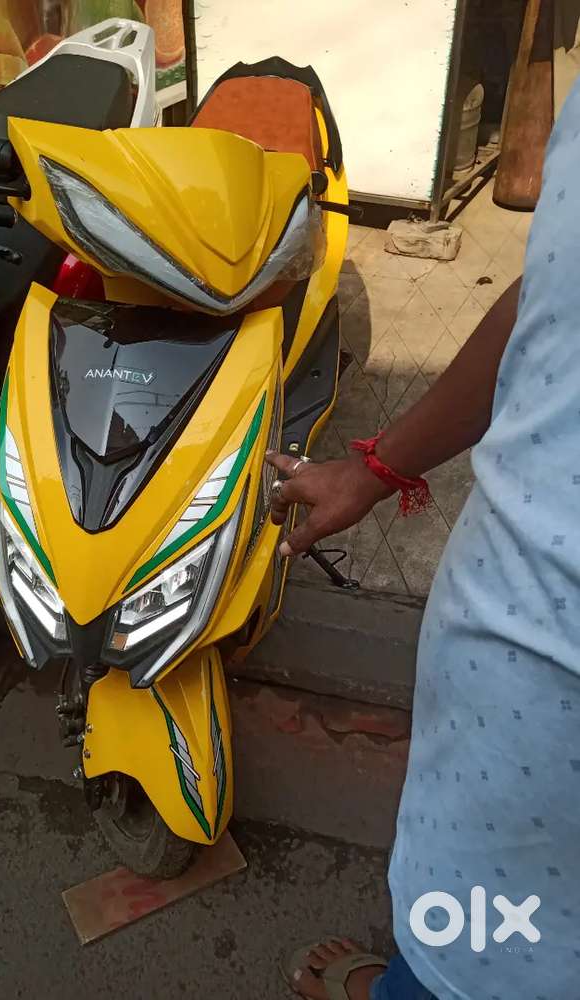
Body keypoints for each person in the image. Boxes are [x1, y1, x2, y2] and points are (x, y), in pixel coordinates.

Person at [269, 77, 580, 1000]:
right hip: (512, 688)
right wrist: (375, 468)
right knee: (486, 937)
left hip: (543, 692)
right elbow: (551, 295)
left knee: (488, 969)